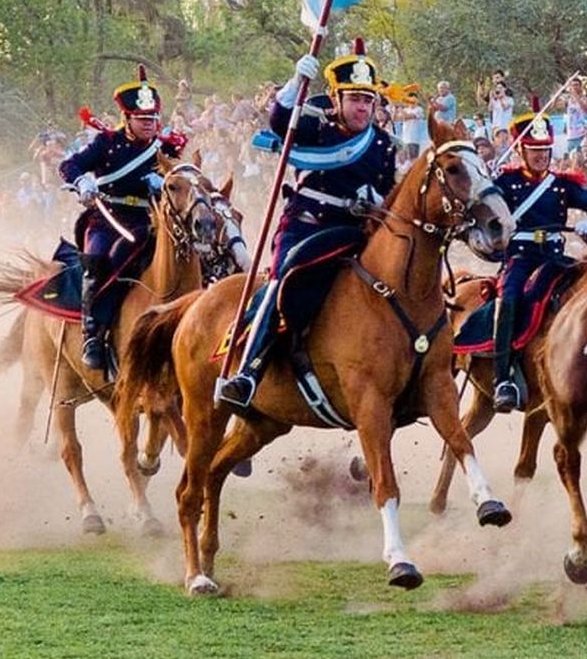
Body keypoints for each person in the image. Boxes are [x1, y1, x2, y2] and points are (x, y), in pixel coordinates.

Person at [215, 38, 396, 407]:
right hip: (307, 227)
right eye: (354, 99)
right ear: (336, 100)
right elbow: (280, 121)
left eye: (367, 100)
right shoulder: (315, 127)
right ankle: (249, 370)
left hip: (357, 233)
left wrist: (379, 204)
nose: (362, 107)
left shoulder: (382, 144)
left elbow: (389, 194)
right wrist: (295, 82)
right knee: (283, 281)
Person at [58, 66, 183, 372]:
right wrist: (82, 182)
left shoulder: (164, 148)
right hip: (109, 220)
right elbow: (69, 165)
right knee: (99, 263)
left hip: (150, 219)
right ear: (127, 118)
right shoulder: (106, 143)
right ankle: (93, 333)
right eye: (143, 120)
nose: (150, 125)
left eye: (153, 120)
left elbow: (181, 176)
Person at [488, 100, 587, 412]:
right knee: (510, 298)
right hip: (520, 258)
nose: (542, 155)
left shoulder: (562, 185)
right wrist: (485, 189)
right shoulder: (504, 183)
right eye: (535, 150)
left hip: (555, 259)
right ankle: (503, 377)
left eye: (545, 150)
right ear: (521, 151)